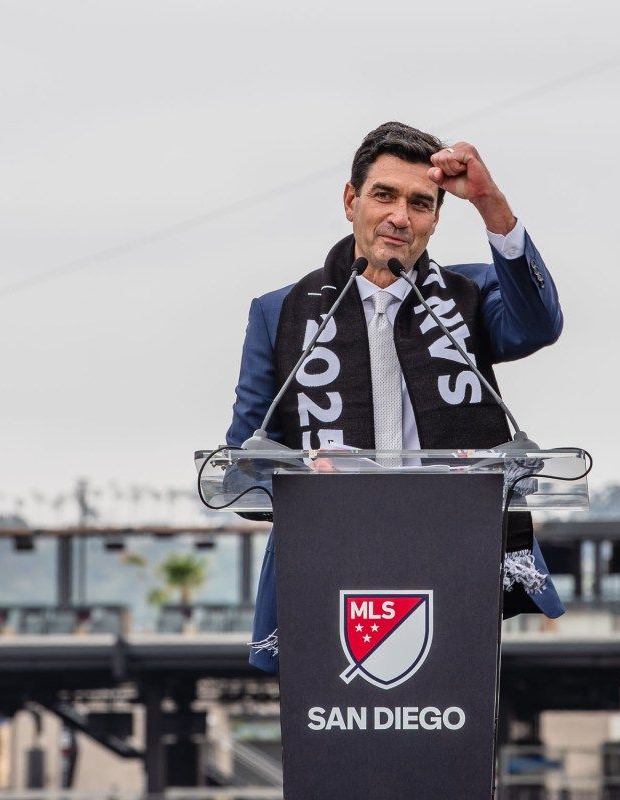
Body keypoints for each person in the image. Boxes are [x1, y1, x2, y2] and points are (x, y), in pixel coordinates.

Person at [225, 121, 565, 672]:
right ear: (350, 200)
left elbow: (539, 324)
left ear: (434, 218)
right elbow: (244, 466)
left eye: (420, 203)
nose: (400, 217)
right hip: (327, 572)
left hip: (454, 565)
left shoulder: (472, 294)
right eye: (384, 195)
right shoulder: (279, 313)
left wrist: (489, 201)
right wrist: (306, 473)